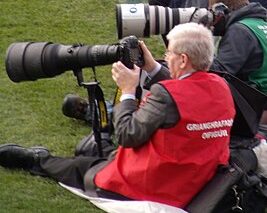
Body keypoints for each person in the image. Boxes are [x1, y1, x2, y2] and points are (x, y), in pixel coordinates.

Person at [0, 24, 236, 209]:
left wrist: (128, 90)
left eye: (169, 52)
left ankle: (37, 160)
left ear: (183, 60)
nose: (167, 55)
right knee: (101, 150)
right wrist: (152, 68)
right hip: (196, 180)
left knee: (83, 167)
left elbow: (125, 135)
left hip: (158, 186)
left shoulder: (166, 95)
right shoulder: (221, 86)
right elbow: (186, 93)